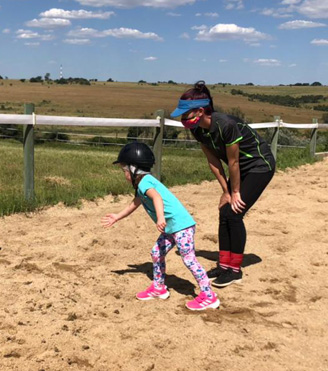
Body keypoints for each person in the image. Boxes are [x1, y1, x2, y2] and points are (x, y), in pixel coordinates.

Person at [170, 81, 276, 288]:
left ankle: (234, 270)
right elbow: (213, 162)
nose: (183, 119)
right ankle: (223, 264)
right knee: (224, 212)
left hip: (259, 165)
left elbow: (234, 162)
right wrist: (225, 192)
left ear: (200, 111)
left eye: (186, 114)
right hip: (239, 170)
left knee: (235, 213)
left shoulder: (226, 125)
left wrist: (235, 192)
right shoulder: (198, 130)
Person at [101, 141, 220, 311]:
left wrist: (160, 217)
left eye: (124, 170)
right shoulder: (143, 183)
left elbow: (156, 198)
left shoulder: (145, 183)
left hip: (181, 227)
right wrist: (117, 217)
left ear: (134, 169)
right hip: (172, 228)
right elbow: (135, 203)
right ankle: (159, 288)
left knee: (189, 259)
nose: (124, 174)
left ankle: (209, 296)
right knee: (156, 253)